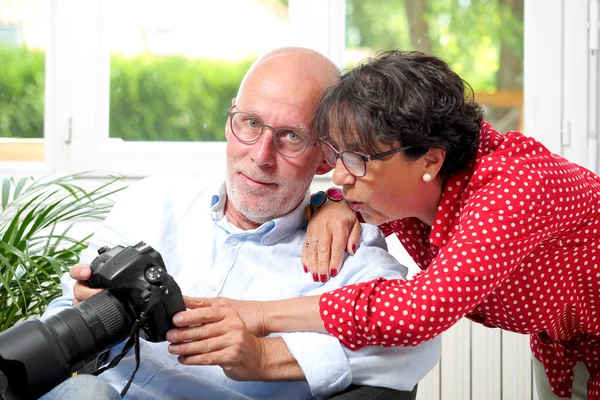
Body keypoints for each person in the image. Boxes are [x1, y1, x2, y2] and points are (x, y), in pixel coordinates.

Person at [193, 50, 600, 400]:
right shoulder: (410, 191)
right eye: (337, 154)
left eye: (357, 160)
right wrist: (335, 204)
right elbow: (345, 193)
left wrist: (260, 316)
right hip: (569, 344)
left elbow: (416, 312)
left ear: (429, 161)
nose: (338, 175)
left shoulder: (515, 190)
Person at [38, 47, 440, 400]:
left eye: (291, 137)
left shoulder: (348, 254)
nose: (261, 155)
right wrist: (86, 306)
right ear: (232, 116)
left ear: (327, 157)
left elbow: (413, 347)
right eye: (249, 123)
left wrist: (265, 356)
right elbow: (62, 310)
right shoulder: (152, 202)